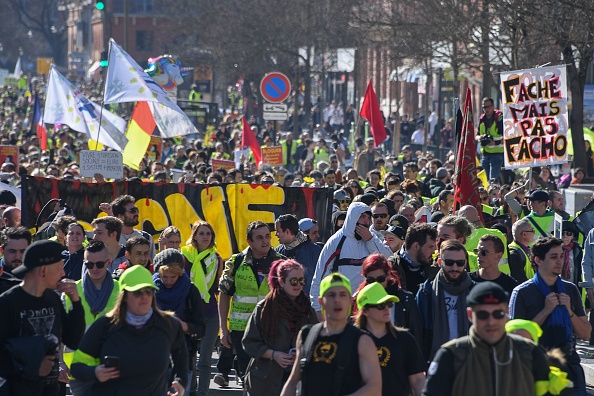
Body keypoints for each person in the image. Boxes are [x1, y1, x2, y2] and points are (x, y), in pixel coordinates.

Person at [70, 266, 188, 395]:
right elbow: (77, 367)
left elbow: (182, 359)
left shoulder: (168, 324)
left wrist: (180, 382)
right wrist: (95, 372)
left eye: (149, 291)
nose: (144, 297)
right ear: (124, 296)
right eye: (137, 292)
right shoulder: (105, 326)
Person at [423, 282, 551, 396]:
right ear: (469, 315)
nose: (491, 322)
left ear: (507, 312)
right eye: (482, 315)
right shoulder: (451, 355)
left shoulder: (529, 352)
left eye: (498, 314)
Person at [0, 240, 85, 396]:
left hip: (51, 391)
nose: (63, 273)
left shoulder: (52, 299)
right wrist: (32, 367)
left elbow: (72, 339)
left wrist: (76, 302)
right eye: (60, 268)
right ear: (43, 271)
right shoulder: (7, 303)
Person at [510, 237, 592, 395]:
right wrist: (545, 311)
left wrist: (570, 312)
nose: (560, 261)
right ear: (538, 260)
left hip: (569, 364)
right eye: (553, 257)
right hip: (536, 366)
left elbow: (586, 334)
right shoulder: (522, 292)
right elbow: (517, 341)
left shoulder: (570, 290)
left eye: (562, 256)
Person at [281, 273, 382, 396]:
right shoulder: (306, 335)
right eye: (331, 295)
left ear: (351, 301)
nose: (337, 300)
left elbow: (374, 388)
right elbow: (292, 382)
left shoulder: (362, 341)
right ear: (321, 301)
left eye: (342, 295)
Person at [218, 221, 284, 383]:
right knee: (247, 377)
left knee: (269, 378)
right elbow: (224, 294)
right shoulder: (236, 263)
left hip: (271, 328)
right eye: (260, 237)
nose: (265, 241)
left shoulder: (282, 263)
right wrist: (223, 329)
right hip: (242, 330)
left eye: (267, 236)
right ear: (249, 241)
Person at [242, 259, 317, 395]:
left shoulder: (307, 310)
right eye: (293, 281)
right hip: (265, 380)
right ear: (281, 282)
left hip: (296, 379)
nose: (298, 285)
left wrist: (300, 354)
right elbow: (249, 342)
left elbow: (316, 342)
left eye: (302, 281)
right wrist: (273, 354)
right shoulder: (264, 308)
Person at [309, 202, 392, 320]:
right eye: (362, 217)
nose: (365, 221)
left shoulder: (372, 237)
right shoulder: (336, 241)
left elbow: (388, 259)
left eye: (368, 218)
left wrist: (370, 240)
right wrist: (317, 309)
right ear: (353, 217)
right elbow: (320, 275)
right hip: (341, 306)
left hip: (368, 305)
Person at [62, 240, 121, 396]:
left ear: (109, 263)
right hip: (78, 367)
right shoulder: (71, 291)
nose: (94, 268)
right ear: (84, 263)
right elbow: (60, 332)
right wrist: (60, 363)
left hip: (110, 366)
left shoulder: (121, 290)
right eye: (89, 265)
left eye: (99, 264)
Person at [355, 282, 425, 396]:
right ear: (365, 311)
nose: (386, 309)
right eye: (380, 305)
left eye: (389, 304)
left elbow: (418, 379)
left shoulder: (404, 339)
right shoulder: (353, 342)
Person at [153, 248, 205, 395]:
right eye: (164, 277)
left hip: (183, 355)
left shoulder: (190, 291)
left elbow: (201, 328)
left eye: (173, 277)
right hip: (155, 357)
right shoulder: (150, 290)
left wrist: (184, 326)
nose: (168, 281)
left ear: (181, 274)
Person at [181, 220, 224, 395]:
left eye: (208, 233)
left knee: (204, 362)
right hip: (189, 314)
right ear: (195, 237)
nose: (205, 237)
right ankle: (191, 392)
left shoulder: (217, 258)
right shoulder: (184, 256)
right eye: (202, 233)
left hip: (210, 313)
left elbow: (216, 287)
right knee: (190, 360)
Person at [416, 239, 474, 363]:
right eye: (449, 262)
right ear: (439, 262)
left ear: (465, 263)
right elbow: (418, 333)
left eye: (459, 263)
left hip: (469, 361)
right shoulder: (426, 292)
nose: (454, 267)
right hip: (435, 361)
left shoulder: (476, 292)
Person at [355, 253, 423, 347]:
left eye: (380, 279)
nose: (376, 284)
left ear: (388, 275)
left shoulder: (405, 299)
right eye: (371, 280)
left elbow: (417, 337)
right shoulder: (359, 299)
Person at [274, 214, 322, 297]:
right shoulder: (278, 252)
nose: (276, 234)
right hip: (284, 305)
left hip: (307, 305)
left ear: (288, 231)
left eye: (278, 231)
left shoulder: (315, 251)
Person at [390, 223, 438, 295]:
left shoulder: (434, 269)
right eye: (430, 247)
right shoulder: (390, 268)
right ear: (416, 246)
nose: (434, 251)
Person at [476, 97, 504, 181]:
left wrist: (495, 143)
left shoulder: (499, 118)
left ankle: (492, 193)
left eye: (489, 107)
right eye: (484, 107)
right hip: (485, 153)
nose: (487, 109)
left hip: (497, 154)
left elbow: (507, 137)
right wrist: (480, 138)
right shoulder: (482, 119)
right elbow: (477, 135)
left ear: (493, 106)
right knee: (482, 179)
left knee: (492, 179)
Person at [508, 218, 536, 284]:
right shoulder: (514, 254)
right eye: (532, 230)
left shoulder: (527, 249)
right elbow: (519, 280)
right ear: (524, 234)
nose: (534, 233)